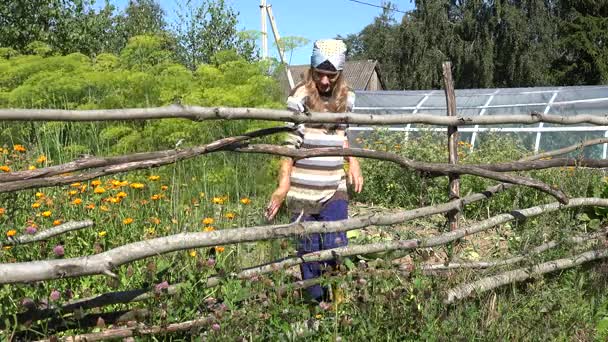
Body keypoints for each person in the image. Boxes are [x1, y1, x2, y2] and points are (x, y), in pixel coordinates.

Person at [265, 39, 363, 303]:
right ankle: (316, 306)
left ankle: (339, 302)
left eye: (330, 76)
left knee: (336, 245)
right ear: (311, 70)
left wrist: (352, 161)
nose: (324, 81)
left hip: (334, 186)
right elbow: (289, 144)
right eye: (319, 74)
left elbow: (344, 135)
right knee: (308, 252)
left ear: (339, 75)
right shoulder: (299, 97)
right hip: (302, 190)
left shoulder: (348, 99)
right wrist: (283, 186)